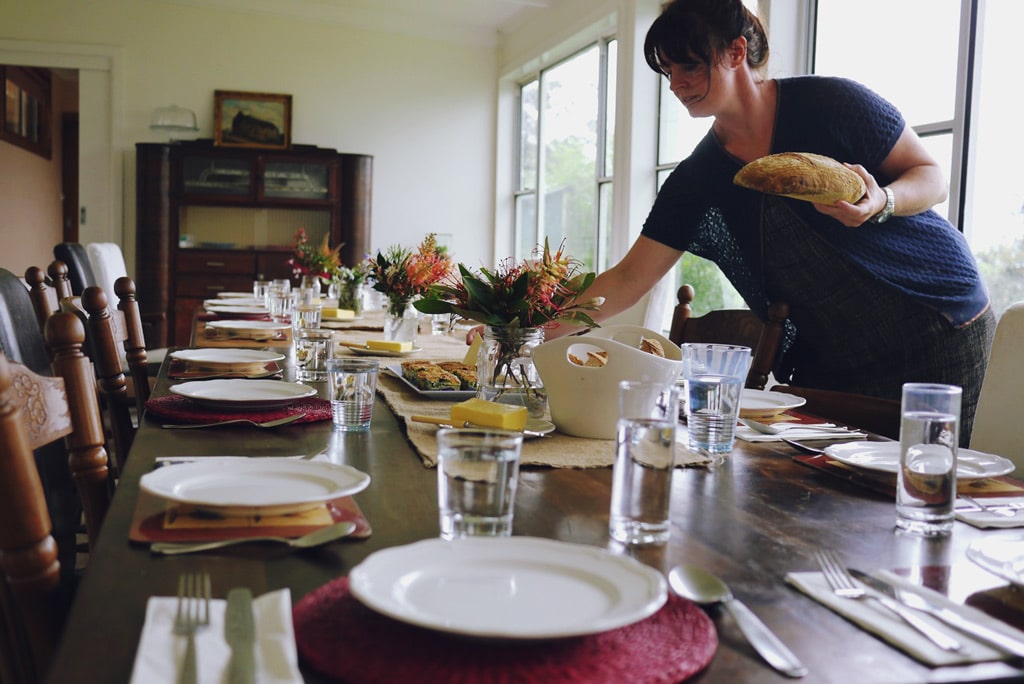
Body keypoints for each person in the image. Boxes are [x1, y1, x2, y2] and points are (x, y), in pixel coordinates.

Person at [552, 0, 995, 445]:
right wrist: (534, 326)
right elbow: (630, 276)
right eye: (668, 71)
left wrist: (884, 199)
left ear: (736, 52)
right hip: (833, 362)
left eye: (689, 66)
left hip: (936, 324)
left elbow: (931, 176)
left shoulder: (831, 103)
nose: (677, 85)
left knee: (933, 490)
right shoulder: (697, 178)